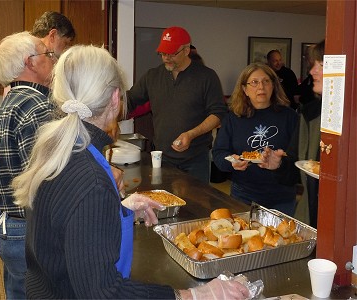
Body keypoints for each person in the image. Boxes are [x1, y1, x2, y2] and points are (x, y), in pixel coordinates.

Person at [11, 45, 250, 299]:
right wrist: (196, 295)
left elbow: (66, 224)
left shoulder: (57, 147)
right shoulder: (91, 179)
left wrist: (118, 209)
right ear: (115, 98)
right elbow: (104, 293)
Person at [0, 31, 57, 299]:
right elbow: (50, 177)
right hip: (29, 229)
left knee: (17, 291)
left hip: (8, 226)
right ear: (31, 62)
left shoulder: (11, 101)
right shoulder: (37, 106)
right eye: (47, 54)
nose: (52, 60)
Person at [127, 26, 227, 183]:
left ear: (186, 50)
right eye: (163, 53)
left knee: (195, 204)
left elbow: (218, 114)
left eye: (172, 53)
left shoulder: (207, 76)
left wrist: (191, 134)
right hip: (163, 157)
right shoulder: (152, 76)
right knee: (163, 203)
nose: (166, 58)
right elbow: (130, 100)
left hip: (196, 159)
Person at [212, 62, 299, 216]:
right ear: (244, 89)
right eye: (254, 82)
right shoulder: (233, 118)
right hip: (244, 195)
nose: (261, 87)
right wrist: (231, 162)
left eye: (266, 81)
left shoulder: (290, 117)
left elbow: (301, 160)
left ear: (273, 86)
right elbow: (219, 153)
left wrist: (281, 162)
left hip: (282, 197)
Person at [262, 40, 325, 227]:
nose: (312, 71)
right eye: (313, 65)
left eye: (321, 65)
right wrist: (278, 163)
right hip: (311, 218)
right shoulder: (310, 115)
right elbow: (295, 168)